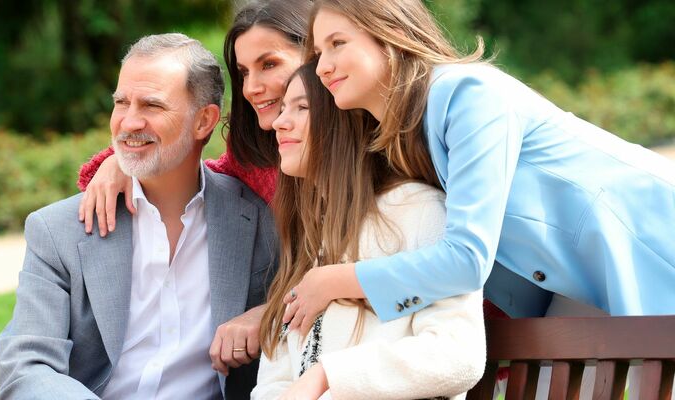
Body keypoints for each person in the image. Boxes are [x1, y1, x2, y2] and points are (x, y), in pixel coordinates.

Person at [278, 0, 675, 336]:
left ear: (389, 34)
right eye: (317, 54)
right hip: (574, 288)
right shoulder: (402, 133)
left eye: (337, 44)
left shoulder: (465, 94)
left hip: (647, 243)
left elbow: (466, 258)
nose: (322, 67)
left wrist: (332, 281)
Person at [0, 33, 278, 399]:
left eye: (152, 106)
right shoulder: (57, 231)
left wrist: (267, 313)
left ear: (204, 122)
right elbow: (25, 367)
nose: (128, 122)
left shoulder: (259, 219)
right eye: (121, 102)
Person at [74, 0, 326, 378]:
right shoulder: (258, 162)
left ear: (315, 55)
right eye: (243, 72)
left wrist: (267, 314)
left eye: (269, 64)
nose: (253, 87)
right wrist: (116, 162)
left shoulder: (370, 154)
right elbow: (195, 172)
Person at [251, 61, 485, 400]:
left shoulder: (416, 210)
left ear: (344, 120)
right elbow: (275, 380)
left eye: (301, 107)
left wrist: (329, 376)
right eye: (283, 109)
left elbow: (457, 355)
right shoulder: (311, 236)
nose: (278, 122)